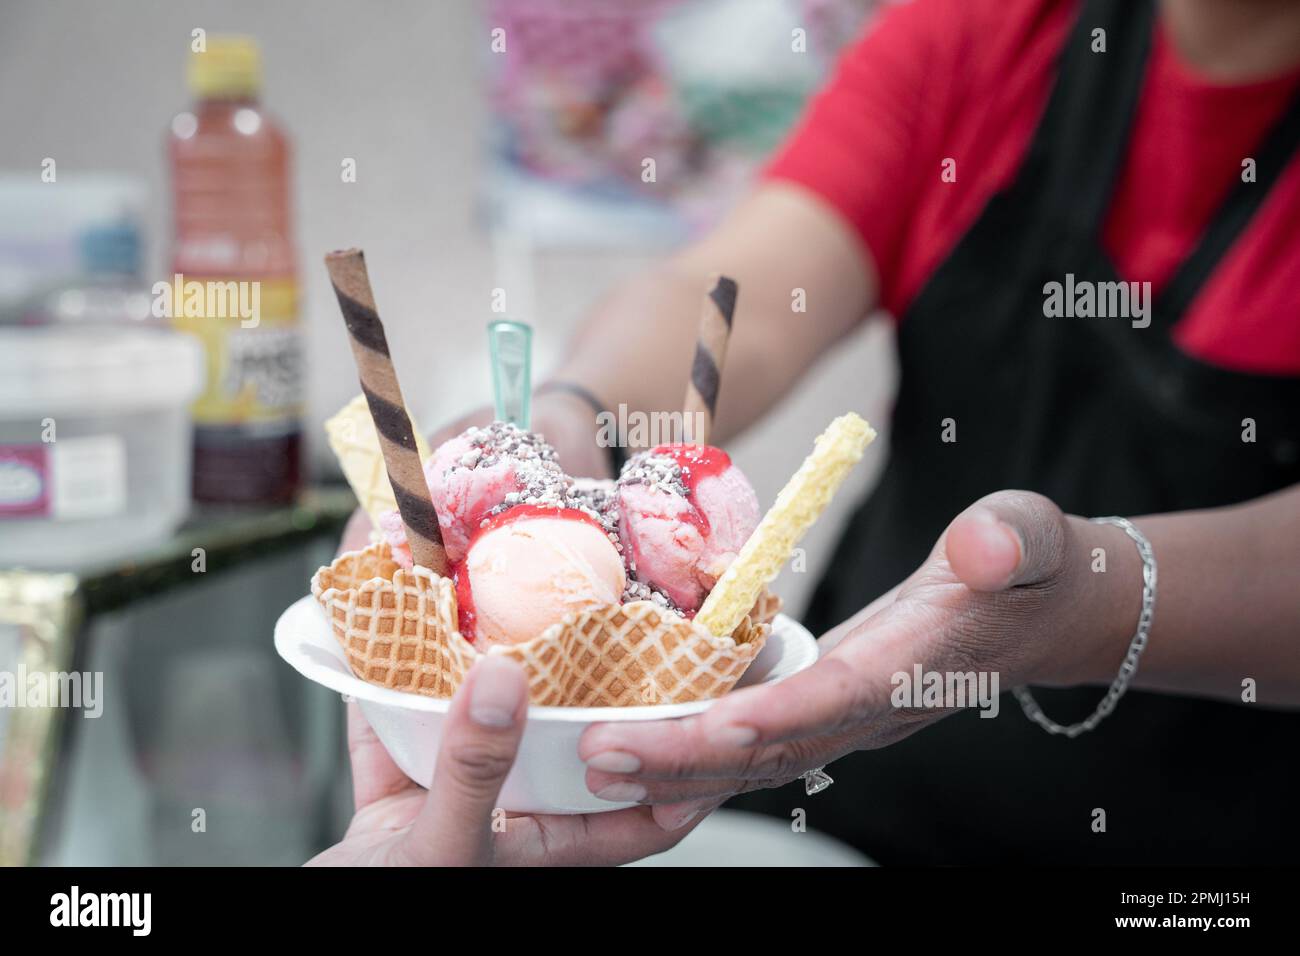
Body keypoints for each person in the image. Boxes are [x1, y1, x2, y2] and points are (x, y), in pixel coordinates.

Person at [341, 0, 1300, 865]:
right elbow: (736, 298)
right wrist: (573, 419)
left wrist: (1092, 596)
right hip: (850, 808)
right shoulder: (989, 31)